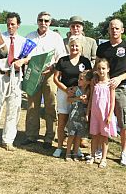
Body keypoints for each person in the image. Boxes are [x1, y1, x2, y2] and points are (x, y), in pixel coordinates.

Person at [0, 12, 27, 153]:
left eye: (13, 24)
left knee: (13, 111)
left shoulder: (23, 41)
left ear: (18, 25)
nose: (10, 26)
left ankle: (8, 140)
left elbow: (29, 57)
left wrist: (23, 61)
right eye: (8, 24)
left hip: (16, 78)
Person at [96, 19, 126, 166]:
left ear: (122, 30)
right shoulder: (102, 48)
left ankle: (124, 152)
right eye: (112, 28)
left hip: (119, 89)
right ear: (108, 30)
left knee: (123, 122)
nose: (114, 30)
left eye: (117, 28)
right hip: (102, 89)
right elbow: (97, 67)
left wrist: (119, 78)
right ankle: (100, 149)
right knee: (101, 119)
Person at [23, 11, 67, 149]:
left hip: (49, 75)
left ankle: (49, 137)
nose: (43, 23)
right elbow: (23, 54)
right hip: (33, 76)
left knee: (50, 106)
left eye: (46, 21)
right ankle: (31, 135)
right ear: (37, 21)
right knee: (32, 107)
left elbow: (61, 57)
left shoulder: (56, 37)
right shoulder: (29, 37)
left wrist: (53, 67)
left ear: (50, 22)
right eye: (41, 20)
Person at [52, 36, 92, 157]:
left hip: (80, 94)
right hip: (64, 92)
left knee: (77, 122)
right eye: (72, 45)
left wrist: (86, 93)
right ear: (68, 46)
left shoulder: (85, 61)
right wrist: (66, 90)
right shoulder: (62, 60)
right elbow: (55, 78)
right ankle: (59, 147)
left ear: (81, 48)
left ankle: (76, 148)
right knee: (62, 119)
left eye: (77, 46)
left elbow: (90, 79)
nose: (74, 48)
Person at [64, 16, 98, 149]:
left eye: (78, 25)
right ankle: (68, 135)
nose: (75, 28)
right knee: (69, 110)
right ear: (70, 28)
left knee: (84, 109)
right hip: (69, 81)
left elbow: (95, 59)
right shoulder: (64, 41)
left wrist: (89, 77)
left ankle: (83, 137)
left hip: (86, 82)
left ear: (82, 27)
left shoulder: (91, 41)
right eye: (73, 26)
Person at [86, 58, 117, 168]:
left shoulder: (110, 84)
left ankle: (103, 158)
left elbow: (113, 101)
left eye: (103, 68)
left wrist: (109, 115)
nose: (101, 71)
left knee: (104, 137)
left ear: (108, 69)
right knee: (94, 136)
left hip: (105, 115)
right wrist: (87, 112)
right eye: (99, 68)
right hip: (95, 114)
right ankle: (92, 155)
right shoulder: (94, 83)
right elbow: (91, 99)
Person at [65, 69, 93, 161]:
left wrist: (85, 101)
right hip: (74, 114)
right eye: (79, 79)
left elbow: (89, 102)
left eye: (81, 79)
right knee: (71, 134)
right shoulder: (75, 89)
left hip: (82, 114)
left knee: (78, 136)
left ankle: (75, 152)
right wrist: (78, 98)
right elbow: (68, 100)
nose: (78, 81)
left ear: (88, 81)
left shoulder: (89, 91)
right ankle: (68, 153)